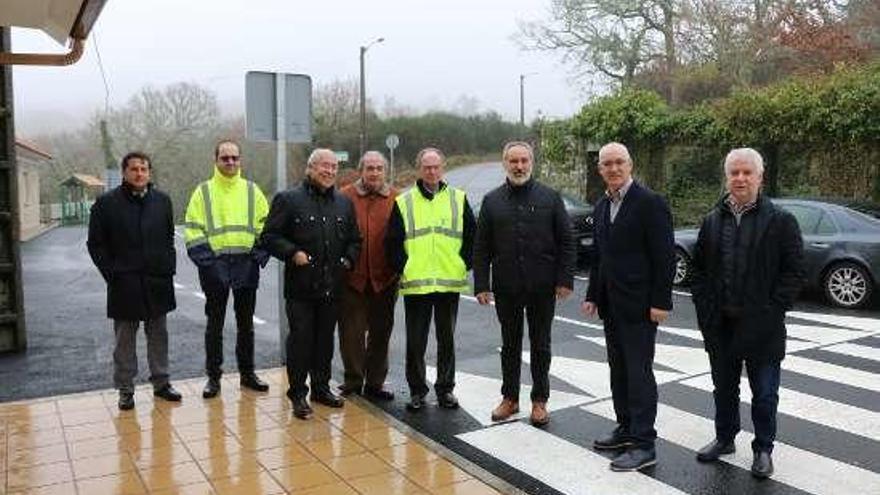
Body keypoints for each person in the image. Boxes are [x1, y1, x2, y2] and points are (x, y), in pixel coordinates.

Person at [690, 148, 804, 479]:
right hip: (720, 325)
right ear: (727, 178)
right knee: (723, 389)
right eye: (734, 173)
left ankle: (764, 449)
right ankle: (725, 438)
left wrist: (772, 310)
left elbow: (794, 272)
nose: (740, 178)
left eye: (747, 173)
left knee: (765, 394)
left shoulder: (781, 221)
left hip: (763, 327)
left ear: (759, 177)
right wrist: (704, 308)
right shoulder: (712, 220)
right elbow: (697, 271)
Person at [581, 142, 675, 471]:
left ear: (630, 165)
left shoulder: (650, 203)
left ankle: (644, 443)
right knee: (618, 371)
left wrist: (661, 302)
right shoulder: (603, 205)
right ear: (600, 170)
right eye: (607, 164)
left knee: (638, 374)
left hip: (640, 307)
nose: (613, 168)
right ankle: (625, 429)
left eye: (619, 162)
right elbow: (601, 257)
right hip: (611, 304)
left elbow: (664, 257)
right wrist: (593, 294)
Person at [473, 141, 576, 426]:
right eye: (513, 161)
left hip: (543, 287)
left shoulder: (550, 197)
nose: (519, 166)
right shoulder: (491, 200)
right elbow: (481, 247)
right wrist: (481, 284)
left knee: (541, 344)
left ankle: (540, 400)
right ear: (504, 163)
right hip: (506, 287)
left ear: (531, 163)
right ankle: (510, 398)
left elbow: (567, 242)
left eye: (524, 161)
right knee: (510, 344)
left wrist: (565, 279)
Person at [262, 148, 362, 420]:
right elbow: (269, 237)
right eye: (323, 166)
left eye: (333, 167)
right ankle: (297, 394)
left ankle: (321, 388)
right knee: (300, 343)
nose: (329, 171)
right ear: (310, 168)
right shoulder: (288, 199)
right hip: (301, 289)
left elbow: (355, 240)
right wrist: (292, 252)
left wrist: (348, 262)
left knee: (324, 342)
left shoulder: (343, 203)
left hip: (332, 287)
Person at [88, 151, 182, 410]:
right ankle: (125, 389)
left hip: (157, 281)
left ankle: (162, 383)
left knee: (159, 336)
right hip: (124, 283)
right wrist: (112, 274)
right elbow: (95, 245)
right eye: (134, 169)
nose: (139, 173)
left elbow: (168, 239)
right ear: (124, 173)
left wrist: (168, 267)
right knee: (124, 341)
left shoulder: (162, 201)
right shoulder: (106, 204)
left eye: (144, 169)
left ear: (149, 172)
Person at [385, 147, 476, 412]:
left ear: (443, 168)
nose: (432, 171)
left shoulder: (458, 198)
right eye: (427, 167)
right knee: (416, 342)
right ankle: (417, 391)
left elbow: (472, 236)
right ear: (419, 169)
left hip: (449, 281)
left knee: (446, 340)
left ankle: (446, 390)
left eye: (436, 167)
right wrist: (405, 267)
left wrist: (463, 263)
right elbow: (392, 243)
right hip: (417, 284)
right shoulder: (404, 201)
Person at [184, 139, 271, 399]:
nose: (230, 162)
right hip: (215, 268)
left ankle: (248, 374)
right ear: (216, 161)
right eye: (225, 158)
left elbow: (266, 226)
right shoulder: (203, 192)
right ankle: (214, 378)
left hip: (246, 266)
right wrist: (209, 265)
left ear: (240, 160)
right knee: (215, 325)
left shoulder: (252, 191)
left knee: (246, 325)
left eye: (235, 158)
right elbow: (193, 229)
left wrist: (257, 257)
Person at [338, 151, 399, 401]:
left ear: (385, 171)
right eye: (369, 168)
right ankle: (353, 380)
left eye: (378, 168)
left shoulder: (397, 198)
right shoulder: (343, 196)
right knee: (351, 334)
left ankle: (376, 383)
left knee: (381, 333)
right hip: (352, 278)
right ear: (361, 170)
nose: (374, 173)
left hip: (385, 279)